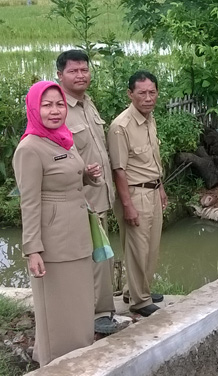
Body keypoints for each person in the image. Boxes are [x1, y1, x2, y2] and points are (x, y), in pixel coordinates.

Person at [13, 81, 103, 365]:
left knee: (78, 305)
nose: (54, 111)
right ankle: (54, 364)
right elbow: (28, 203)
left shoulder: (62, 138)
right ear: (34, 108)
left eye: (59, 104)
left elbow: (66, 175)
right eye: (46, 104)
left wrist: (86, 174)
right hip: (53, 244)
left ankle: (79, 358)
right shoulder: (30, 148)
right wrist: (33, 250)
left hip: (76, 236)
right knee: (57, 310)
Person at [57, 50, 119, 334]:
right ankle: (95, 316)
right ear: (60, 75)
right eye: (74, 71)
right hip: (80, 202)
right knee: (90, 261)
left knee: (102, 258)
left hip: (100, 198)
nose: (81, 75)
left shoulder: (87, 103)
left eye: (84, 70)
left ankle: (103, 311)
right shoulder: (57, 109)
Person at [107, 71, 167, 317]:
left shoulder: (149, 118)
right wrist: (128, 205)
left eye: (152, 92)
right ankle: (139, 302)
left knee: (151, 247)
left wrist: (161, 188)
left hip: (152, 190)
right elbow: (118, 170)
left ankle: (137, 290)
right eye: (142, 93)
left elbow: (153, 158)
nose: (148, 97)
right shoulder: (121, 127)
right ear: (130, 94)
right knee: (137, 248)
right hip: (134, 194)